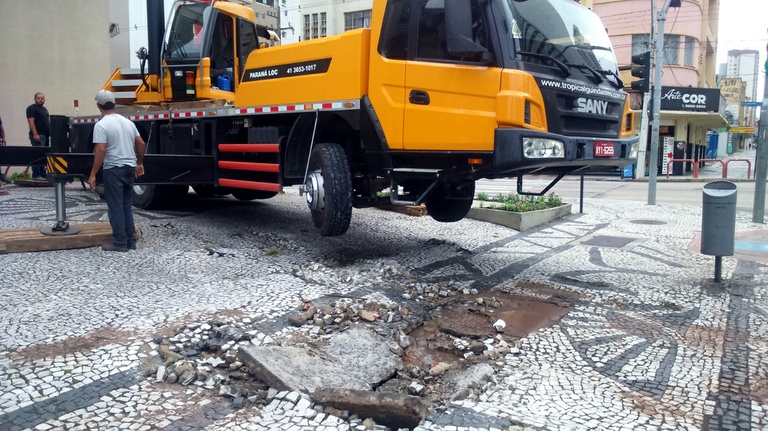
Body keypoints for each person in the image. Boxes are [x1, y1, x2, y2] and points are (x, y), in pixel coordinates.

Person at [88, 90, 146, 252]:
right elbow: (141, 144)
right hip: (129, 168)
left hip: (114, 169)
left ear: (99, 106)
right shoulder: (128, 122)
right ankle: (130, 241)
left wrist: (93, 173)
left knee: (115, 207)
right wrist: (139, 163)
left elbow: (101, 150)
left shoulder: (101, 125)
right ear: (113, 104)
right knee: (126, 206)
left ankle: (119, 243)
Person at [26, 92, 50, 179]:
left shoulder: (44, 109)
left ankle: (43, 174)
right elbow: (31, 121)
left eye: (42, 98)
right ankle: (36, 175)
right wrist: (35, 134)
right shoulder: (31, 108)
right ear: (35, 99)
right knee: (36, 155)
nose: (40, 100)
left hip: (45, 135)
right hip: (38, 135)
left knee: (43, 155)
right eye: (38, 98)